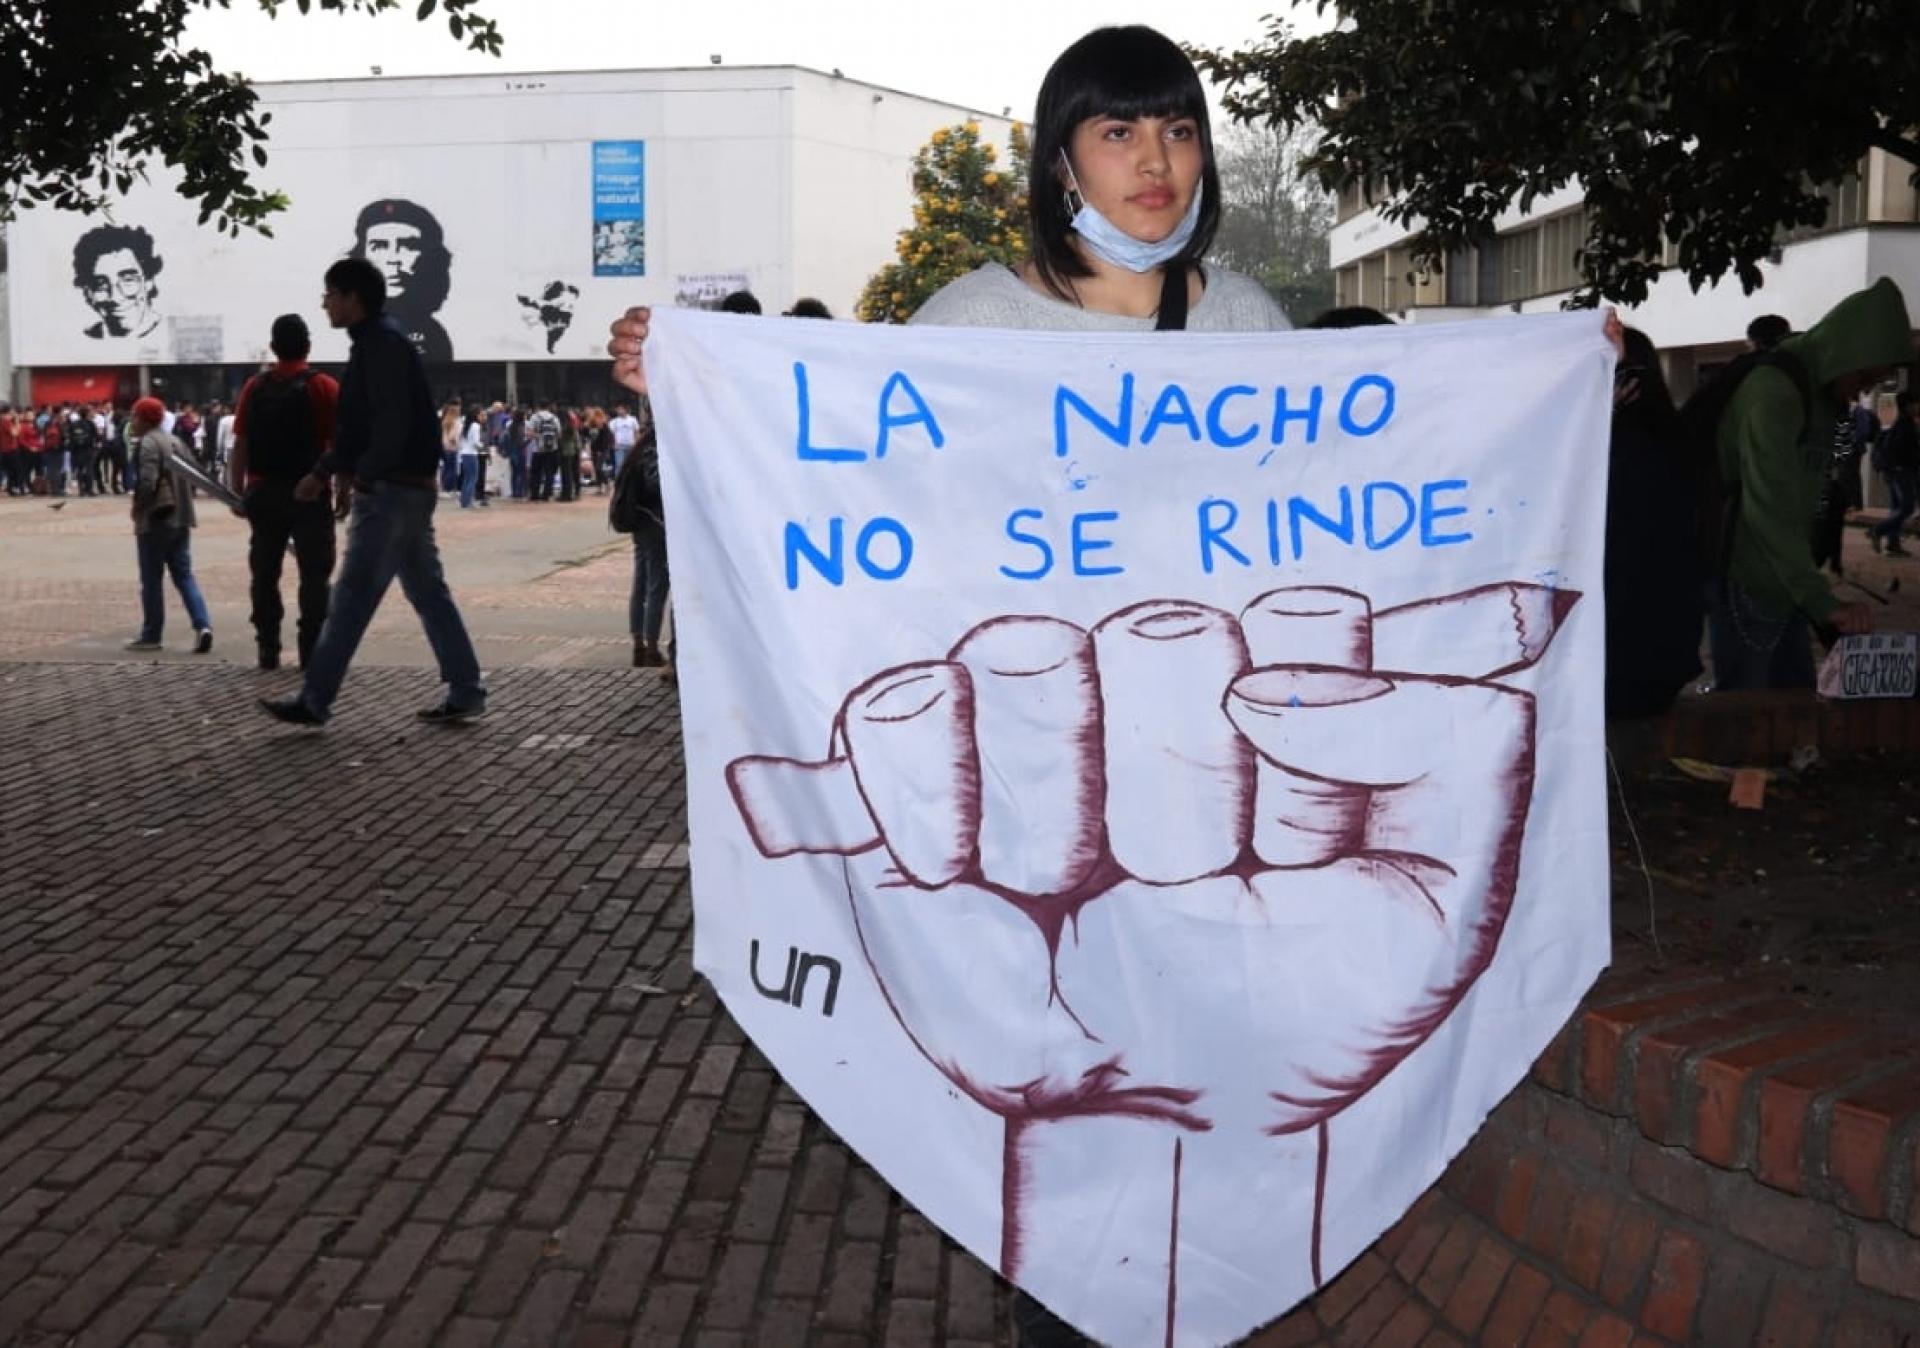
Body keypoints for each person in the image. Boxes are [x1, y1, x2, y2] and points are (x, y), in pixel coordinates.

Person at [608, 26, 1291, 1344]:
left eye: (1178, 129)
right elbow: (835, 483)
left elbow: (1344, 508)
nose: (1155, 161)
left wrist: (1551, 385)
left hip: (1215, 806)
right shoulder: (974, 324)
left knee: (1214, 1134)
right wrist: (680, 389)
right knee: (1075, 1137)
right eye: (1117, 131)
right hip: (1038, 808)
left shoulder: (1249, 323)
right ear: (1061, 161)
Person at [258, 256, 487, 727]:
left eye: (330, 294)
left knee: (352, 598)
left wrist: (361, 473)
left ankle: (314, 699)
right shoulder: (382, 341)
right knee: (428, 592)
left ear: (352, 298)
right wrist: (328, 470)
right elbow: (366, 423)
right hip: (405, 487)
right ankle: (466, 688)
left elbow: (385, 421)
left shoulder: (380, 345)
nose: (325, 303)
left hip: (390, 490)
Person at [1708, 277, 1914, 691]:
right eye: (1864, 379)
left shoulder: (1821, 392)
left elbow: (1812, 488)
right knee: (1750, 716)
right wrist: (1820, 600)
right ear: (1846, 356)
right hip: (1748, 583)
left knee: (1796, 710)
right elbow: (1769, 509)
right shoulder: (1773, 394)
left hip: (1788, 584)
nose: (1861, 393)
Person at [229, 313, 343, 670]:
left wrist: (237, 490)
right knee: (315, 575)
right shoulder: (324, 386)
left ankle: (268, 647)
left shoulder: (255, 386)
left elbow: (241, 441)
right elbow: (340, 442)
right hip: (310, 491)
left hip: (263, 491)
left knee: (264, 574)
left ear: (273, 347)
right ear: (308, 346)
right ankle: (311, 651)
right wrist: (344, 490)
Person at [1604, 328, 1703, 717]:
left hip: (1631, 644)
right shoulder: (1671, 437)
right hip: (1661, 643)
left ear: (1627, 383)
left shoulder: (1629, 446)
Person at [125, 396, 213, 654]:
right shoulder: (175, 441)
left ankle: (152, 634)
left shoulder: (149, 443)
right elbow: (194, 474)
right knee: (184, 575)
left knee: (152, 578)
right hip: (181, 517)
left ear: (144, 419)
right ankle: (203, 624)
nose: (132, 421)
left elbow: (147, 481)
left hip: (157, 518)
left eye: (135, 416)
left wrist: (139, 506)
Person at [349, 198, 454, 363]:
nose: (393, 259)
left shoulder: (433, 336)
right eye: (379, 246)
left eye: (408, 246)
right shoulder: (352, 330)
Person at [73, 224, 165, 340]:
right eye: (100, 285)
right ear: (88, 292)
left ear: (148, 281)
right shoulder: (83, 339)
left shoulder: (171, 334)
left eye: (128, 280)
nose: (115, 298)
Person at [1869, 390, 1920, 557]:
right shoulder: (1904, 424)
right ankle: (1878, 530)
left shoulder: (1903, 422)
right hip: (1900, 471)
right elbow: (1904, 450)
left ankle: (1893, 544)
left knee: (1897, 507)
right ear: (1907, 406)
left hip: (1894, 471)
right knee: (1907, 507)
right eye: (1915, 404)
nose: (1917, 407)